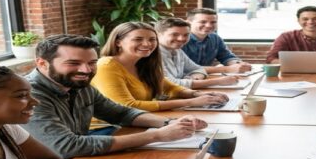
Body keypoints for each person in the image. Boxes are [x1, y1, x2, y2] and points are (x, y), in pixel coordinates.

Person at [23, 34, 208, 159]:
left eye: (91, 63)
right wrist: (157, 136)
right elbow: (67, 146)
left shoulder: (79, 85)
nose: (86, 70)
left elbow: (121, 113)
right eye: (73, 63)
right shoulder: (28, 95)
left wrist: (171, 124)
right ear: (42, 64)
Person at [90, 22, 230, 113]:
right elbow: (126, 106)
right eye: (138, 39)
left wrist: (198, 94)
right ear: (118, 42)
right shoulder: (106, 66)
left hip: (137, 122)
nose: (147, 44)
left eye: (152, 39)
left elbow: (169, 87)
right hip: (108, 128)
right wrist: (192, 102)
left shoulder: (144, 62)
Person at [156, 17, 241, 89]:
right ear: (158, 35)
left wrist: (195, 77)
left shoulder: (177, 51)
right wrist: (218, 81)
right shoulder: (153, 55)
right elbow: (169, 84)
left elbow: (198, 69)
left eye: (186, 35)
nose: (181, 39)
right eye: (175, 34)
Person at [182, 8, 253, 74]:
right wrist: (227, 69)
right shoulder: (180, 40)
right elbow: (184, 68)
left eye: (213, 22)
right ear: (188, 23)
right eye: (203, 22)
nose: (209, 25)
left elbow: (226, 57)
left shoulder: (215, 38)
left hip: (205, 78)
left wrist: (237, 64)